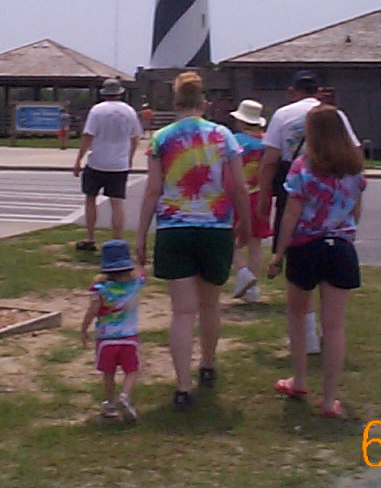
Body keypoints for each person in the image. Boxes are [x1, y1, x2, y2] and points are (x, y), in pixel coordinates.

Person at [136, 71, 251, 412]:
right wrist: (244, 222)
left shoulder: (161, 138)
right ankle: (208, 364)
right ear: (204, 103)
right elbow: (239, 185)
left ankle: (182, 387)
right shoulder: (223, 135)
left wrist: (140, 235)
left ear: (175, 103)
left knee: (182, 312)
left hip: (174, 228)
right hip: (215, 227)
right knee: (210, 305)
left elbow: (152, 190)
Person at [268, 105, 366, 418]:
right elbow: (356, 212)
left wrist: (279, 253)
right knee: (334, 325)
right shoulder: (355, 170)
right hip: (341, 248)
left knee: (297, 316)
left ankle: (299, 380)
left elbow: (291, 213)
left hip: (306, 246)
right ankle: (329, 399)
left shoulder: (303, 167)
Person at [256, 71, 359, 353]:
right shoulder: (336, 115)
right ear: (318, 90)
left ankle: (307, 333)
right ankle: (327, 332)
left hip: (295, 182)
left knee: (298, 257)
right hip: (333, 189)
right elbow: (355, 151)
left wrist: (263, 197)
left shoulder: (283, 114)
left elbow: (270, 160)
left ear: (294, 91)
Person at [72, 78, 142, 250]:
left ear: (104, 93)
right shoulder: (129, 111)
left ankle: (90, 237)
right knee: (116, 203)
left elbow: (88, 136)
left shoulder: (97, 110)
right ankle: (117, 240)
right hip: (119, 164)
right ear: (120, 93)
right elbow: (135, 138)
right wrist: (130, 158)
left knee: (90, 199)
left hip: (97, 161)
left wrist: (79, 159)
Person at [80, 239, 144, 421]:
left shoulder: (100, 290)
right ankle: (124, 396)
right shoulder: (135, 284)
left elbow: (92, 311)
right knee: (132, 370)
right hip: (129, 338)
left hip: (106, 339)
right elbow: (142, 272)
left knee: (108, 373)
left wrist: (84, 328)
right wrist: (138, 259)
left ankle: (110, 403)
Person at [228, 99, 269, 303]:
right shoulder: (267, 142)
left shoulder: (235, 141)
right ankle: (253, 289)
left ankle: (243, 272)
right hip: (261, 194)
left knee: (227, 238)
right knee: (255, 243)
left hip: (239, 195)